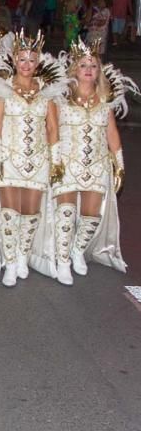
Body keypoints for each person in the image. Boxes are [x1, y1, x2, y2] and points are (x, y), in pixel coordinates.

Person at [50, 38, 134, 284]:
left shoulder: (106, 101)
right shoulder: (60, 97)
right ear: (74, 68)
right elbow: (52, 130)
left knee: (90, 214)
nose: (88, 69)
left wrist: (119, 165)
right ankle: (63, 259)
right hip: (66, 161)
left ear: (99, 71)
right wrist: (55, 161)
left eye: (93, 65)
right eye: (83, 64)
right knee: (65, 211)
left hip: (96, 164)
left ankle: (77, 252)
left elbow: (112, 135)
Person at [0, 30, 65, 287]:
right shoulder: (2, 88)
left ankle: (22, 256)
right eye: (22, 59)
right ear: (13, 59)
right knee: (10, 212)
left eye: (32, 60)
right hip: (9, 158)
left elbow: (53, 128)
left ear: (38, 62)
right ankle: (9, 263)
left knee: (30, 213)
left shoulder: (48, 91)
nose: (27, 65)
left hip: (38, 160)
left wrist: (56, 160)